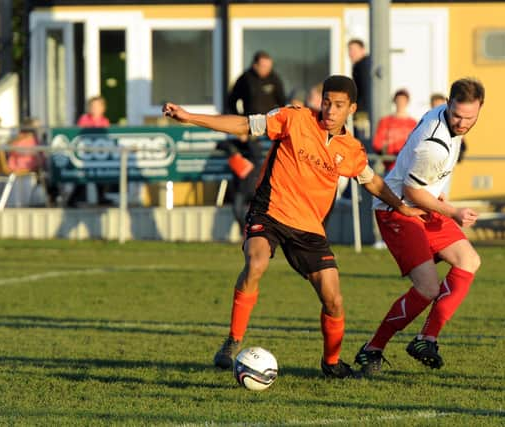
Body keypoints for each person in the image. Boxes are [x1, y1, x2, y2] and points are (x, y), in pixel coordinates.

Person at [162, 75, 424, 378]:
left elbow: (372, 181)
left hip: (309, 228)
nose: (330, 110)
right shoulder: (294, 118)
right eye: (326, 102)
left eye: (339, 105)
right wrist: (189, 117)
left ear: (351, 108)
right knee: (256, 262)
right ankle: (232, 341)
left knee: (333, 299)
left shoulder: (350, 149)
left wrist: (402, 206)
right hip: (269, 212)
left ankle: (332, 363)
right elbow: (246, 125)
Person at [354, 78, 485, 376]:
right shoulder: (433, 145)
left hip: (423, 203)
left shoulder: (444, 115)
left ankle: (426, 339)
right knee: (427, 288)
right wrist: (453, 212)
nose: (462, 123)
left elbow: (423, 184)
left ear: (479, 110)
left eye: (469, 118)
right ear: (448, 105)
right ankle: (372, 349)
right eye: (457, 116)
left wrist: (436, 190)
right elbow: (412, 193)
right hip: (398, 210)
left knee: (469, 260)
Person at [225, 51, 287, 231]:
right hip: (251, 131)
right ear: (255, 65)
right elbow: (231, 101)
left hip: (271, 130)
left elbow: (283, 104)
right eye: (263, 67)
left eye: (269, 67)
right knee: (253, 171)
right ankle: (249, 222)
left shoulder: (275, 79)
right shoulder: (245, 79)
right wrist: (239, 127)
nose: (267, 70)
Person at [70, 96, 111, 207]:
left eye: (97, 106)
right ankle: (72, 199)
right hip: (85, 154)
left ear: (103, 108)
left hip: (99, 154)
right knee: (82, 178)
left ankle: (101, 197)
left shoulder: (104, 121)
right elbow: (79, 134)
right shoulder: (84, 119)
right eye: (92, 106)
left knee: (101, 176)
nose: (95, 109)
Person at [372, 89, 417, 173]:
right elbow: (377, 144)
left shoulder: (413, 123)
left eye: (403, 101)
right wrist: (386, 147)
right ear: (394, 101)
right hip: (390, 168)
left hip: (408, 168)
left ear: (407, 102)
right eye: (399, 100)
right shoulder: (385, 121)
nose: (401, 103)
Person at [347, 39, 371, 140]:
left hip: (363, 112)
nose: (351, 53)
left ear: (363, 50)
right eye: (349, 50)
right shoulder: (360, 66)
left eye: (354, 50)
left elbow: (364, 91)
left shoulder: (362, 66)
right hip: (362, 110)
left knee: (362, 140)